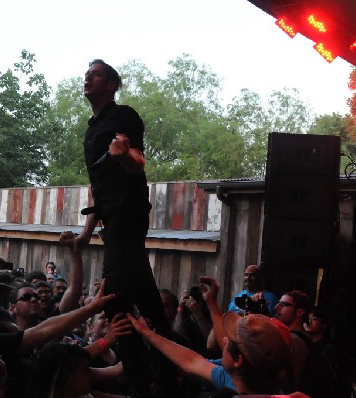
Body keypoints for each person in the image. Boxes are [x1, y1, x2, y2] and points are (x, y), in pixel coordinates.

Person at [73, 59, 175, 396]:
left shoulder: (124, 116)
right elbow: (97, 187)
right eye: (87, 73)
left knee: (115, 297)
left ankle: (143, 382)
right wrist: (86, 234)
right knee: (142, 297)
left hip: (128, 215)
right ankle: (166, 374)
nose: (88, 77)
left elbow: (138, 163)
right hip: (111, 218)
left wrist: (122, 157)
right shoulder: (91, 128)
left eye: (96, 74)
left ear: (112, 84)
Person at [127, 310, 292, 396]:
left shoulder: (232, 384)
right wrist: (149, 334)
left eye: (229, 342)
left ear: (238, 360)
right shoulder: (234, 378)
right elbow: (192, 361)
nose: (224, 341)